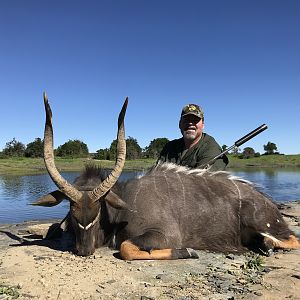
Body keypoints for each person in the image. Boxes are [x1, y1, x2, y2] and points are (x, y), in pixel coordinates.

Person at [157, 103, 228, 171]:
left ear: (203, 124)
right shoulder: (169, 147)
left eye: (195, 120)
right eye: (186, 120)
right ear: (180, 124)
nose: (190, 123)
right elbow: (156, 174)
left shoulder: (211, 149)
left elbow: (202, 181)